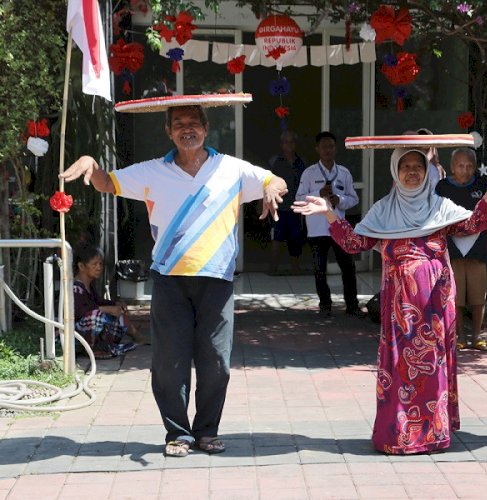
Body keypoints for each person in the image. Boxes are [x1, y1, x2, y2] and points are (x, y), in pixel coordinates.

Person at [60, 104, 287, 457]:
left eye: (193, 123)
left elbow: (275, 179)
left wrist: (272, 187)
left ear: (206, 128)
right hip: (168, 279)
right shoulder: (153, 171)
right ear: (168, 131)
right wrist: (91, 161)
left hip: (217, 279)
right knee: (169, 363)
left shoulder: (231, 168)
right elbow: (107, 182)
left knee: (216, 361)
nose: (187, 129)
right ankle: (177, 434)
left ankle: (207, 431)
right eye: (178, 124)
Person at [293, 147, 487, 454]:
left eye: (419, 165)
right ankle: (399, 435)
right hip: (398, 306)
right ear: (395, 172)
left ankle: (433, 435)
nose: (413, 171)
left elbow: (472, 226)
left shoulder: (440, 207)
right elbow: (354, 243)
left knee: (432, 365)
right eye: (406, 166)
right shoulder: (382, 211)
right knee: (401, 368)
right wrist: (328, 212)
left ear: (427, 172)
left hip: (436, 303)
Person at [296, 131, 363, 317]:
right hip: (317, 229)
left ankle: (352, 305)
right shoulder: (309, 173)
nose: (328, 150)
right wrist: (318, 193)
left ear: (335, 148)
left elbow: (353, 199)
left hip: (339, 228)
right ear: (317, 149)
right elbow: (299, 199)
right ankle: (325, 305)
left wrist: (339, 200)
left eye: (331, 146)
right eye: (324, 146)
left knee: (348, 268)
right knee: (320, 270)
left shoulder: (344, 173)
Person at [436, 148, 487, 350]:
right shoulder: (442, 187)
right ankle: (459, 336)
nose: (465, 170)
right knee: (456, 295)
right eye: (460, 165)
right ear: (452, 167)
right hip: (452, 249)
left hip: (477, 248)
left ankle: (477, 335)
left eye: (469, 166)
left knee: (478, 295)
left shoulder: (482, 185)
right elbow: (436, 216)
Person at [73, 244, 143, 359]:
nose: (99, 267)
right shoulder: (75, 288)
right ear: (81, 266)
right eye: (94, 264)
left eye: (100, 264)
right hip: (73, 337)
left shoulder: (89, 286)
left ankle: (135, 335)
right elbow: (79, 312)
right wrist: (106, 309)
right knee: (96, 316)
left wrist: (116, 304)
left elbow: (98, 302)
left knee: (117, 312)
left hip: (85, 333)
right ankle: (91, 349)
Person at [268, 130, 307, 274]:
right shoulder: (274, 161)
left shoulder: (301, 162)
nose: (289, 145)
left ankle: (295, 268)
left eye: (292, 142)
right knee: (276, 238)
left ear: (295, 144)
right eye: (286, 142)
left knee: (296, 239)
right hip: (278, 206)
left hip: (296, 207)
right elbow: (266, 182)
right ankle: (273, 268)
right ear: (281, 144)